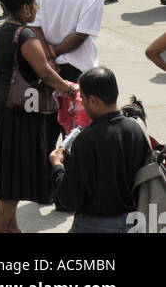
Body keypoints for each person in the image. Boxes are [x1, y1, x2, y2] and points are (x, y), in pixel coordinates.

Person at [0, 0, 76, 233]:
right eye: (33, 4)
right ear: (24, 8)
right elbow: (45, 73)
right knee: (16, 168)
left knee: (8, 164)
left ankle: (12, 228)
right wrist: (71, 88)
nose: (37, 7)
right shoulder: (26, 36)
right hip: (18, 105)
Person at [49, 66, 151, 233]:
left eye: (82, 99)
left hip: (94, 224)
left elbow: (69, 198)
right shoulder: (136, 129)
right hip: (133, 222)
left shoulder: (87, 139)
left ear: (93, 100)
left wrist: (57, 166)